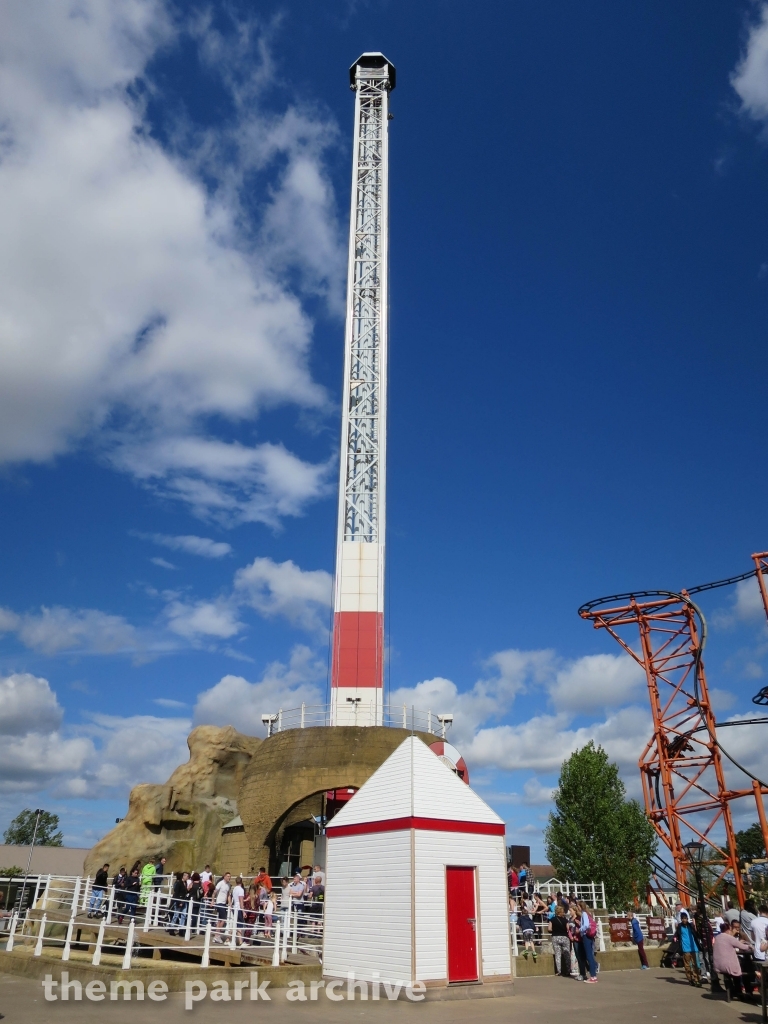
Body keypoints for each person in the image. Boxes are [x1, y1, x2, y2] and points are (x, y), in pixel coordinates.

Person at [714, 920, 752, 999]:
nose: (737, 929)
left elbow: (748, 944)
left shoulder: (742, 935)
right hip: (732, 960)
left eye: (738, 927)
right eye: (735, 927)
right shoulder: (729, 936)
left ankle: (748, 992)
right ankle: (738, 992)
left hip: (742, 957)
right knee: (739, 970)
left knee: (748, 966)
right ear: (731, 928)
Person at [676, 911, 701, 986]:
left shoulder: (691, 926)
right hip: (685, 948)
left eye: (685, 918)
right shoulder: (680, 927)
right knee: (687, 966)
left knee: (695, 965)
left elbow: (696, 934)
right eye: (683, 919)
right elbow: (678, 936)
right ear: (681, 919)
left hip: (693, 947)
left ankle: (697, 979)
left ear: (687, 919)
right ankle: (690, 979)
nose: (684, 920)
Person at [577, 901, 599, 983]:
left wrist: (580, 929)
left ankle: (593, 976)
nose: (577, 907)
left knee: (589, 955)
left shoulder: (584, 914)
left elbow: (586, 925)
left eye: (578, 906)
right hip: (590, 935)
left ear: (580, 906)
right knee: (590, 955)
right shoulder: (587, 913)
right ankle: (593, 975)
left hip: (586, 936)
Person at [549, 905, 571, 976]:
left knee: (557, 954)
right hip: (564, 937)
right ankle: (568, 970)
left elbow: (549, 929)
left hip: (555, 937)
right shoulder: (565, 920)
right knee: (566, 954)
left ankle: (559, 971)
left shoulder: (552, 919)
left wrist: (554, 930)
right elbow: (568, 929)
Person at [212, 872, 231, 943]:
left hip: (224, 903)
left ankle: (216, 936)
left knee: (220, 920)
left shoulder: (228, 885)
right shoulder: (220, 883)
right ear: (224, 877)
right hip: (219, 903)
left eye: (230, 876)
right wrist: (213, 901)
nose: (229, 878)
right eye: (228, 876)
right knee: (223, 919)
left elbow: (228, 895)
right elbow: (214, 892)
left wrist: (230, 903)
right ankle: (217, 935)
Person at [231, 876, 246, 945]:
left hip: (234, 907)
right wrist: (243, 911)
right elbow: (241, 901)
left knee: (236, 924)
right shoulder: (241, 890)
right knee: (240, 924)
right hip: (239, 908)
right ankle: (240, 941)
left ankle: (236, 940)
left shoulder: (234, 889)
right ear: (241, 882)